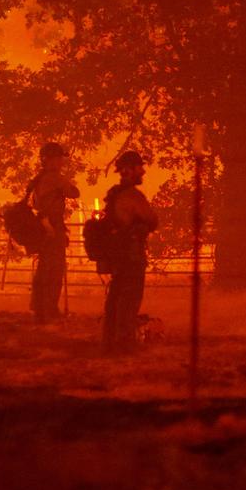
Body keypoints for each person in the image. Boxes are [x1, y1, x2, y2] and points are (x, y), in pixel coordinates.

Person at [102, 151, 158, 352]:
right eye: (139, 167)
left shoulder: (113, 194)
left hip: (118, 255)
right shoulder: (133, 195)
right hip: (131, 255)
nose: (142, 170)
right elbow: (152, 220)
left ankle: (109, 340)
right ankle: (124, 342)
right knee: (129, 298)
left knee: (116, 297)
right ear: (128, 170)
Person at [30, 142, 80, 324]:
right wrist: (64, 183)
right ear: (48, 160)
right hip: (52, 227)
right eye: (58, 158)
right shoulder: (54, 178)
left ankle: (40, 309)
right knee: (55, 269)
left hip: (43, 227)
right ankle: (50, 310)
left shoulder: (38, 179)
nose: (61, 162)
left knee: (45, 268)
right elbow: (74, 192)